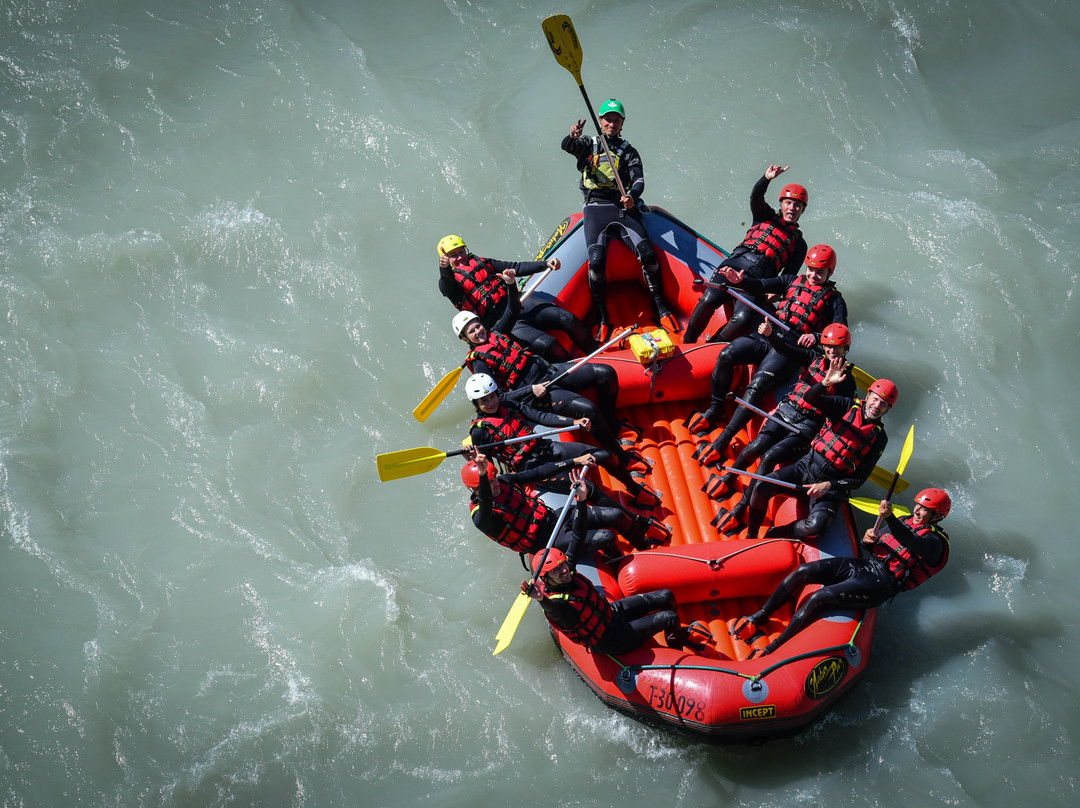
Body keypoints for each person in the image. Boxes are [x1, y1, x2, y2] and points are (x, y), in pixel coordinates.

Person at [731, 488, 952, 657]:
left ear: (937, 516)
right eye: (917, 506)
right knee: (804, 570)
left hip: (881, 584)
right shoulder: (905, 521)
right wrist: (868, 541)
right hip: (866, 565)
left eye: (925, 510)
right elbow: (874, 546)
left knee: (818, 597)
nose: (917, 511)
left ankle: (775, 647)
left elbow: (912, 543)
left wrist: (890, 518)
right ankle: (761, 614)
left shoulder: (935, 543)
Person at [702, 322, 856, 533]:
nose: (831, 351)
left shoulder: (847, 383)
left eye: (837, 348)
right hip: (788, 410)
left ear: (846, 349)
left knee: (770, 456)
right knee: (756, 446)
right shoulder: (813, 357)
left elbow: (838, 414)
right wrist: (771, 335)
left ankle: (743, 505)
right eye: (828, 346)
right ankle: (730, 477)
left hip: (808, 426)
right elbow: (786, 349)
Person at [454, 310, 644, 473]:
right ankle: (620, 456)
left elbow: (512, 310)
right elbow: (499, 397)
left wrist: (511, 284)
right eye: (471, 331)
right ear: (464, 339)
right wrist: (531, 389)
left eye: (478, 326)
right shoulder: (479, 363)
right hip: (534, 393)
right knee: (588, 409)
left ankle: (612, 423)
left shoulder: (497, 332)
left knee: (606, 373)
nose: (478, 331)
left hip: (549, 372)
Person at [688, 243, 847, 437]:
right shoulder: (791, 280)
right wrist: (741, 281)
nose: (813, 275)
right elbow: (762, 285)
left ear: (830, 272)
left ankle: (725, 437)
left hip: (791, 349)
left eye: (819, 272)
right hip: (769, 334)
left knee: (758, 385)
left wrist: (816, 336)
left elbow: (840, 332)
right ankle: (716, 408)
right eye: (810, 270)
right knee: (727, 354)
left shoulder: (835, 301)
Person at [734, 362, 897, 541]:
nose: (877, 405)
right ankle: (751, 536)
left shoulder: (880, 438)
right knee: (761, 487)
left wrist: (829, 485)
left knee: (816, 527)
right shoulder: (845, 405)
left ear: (888, 409)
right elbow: (811, 398)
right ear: (868, 394)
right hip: (806, 467)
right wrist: (825, 383)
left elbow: (858, 480)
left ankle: (774, 535)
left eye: (883, 404)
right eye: (875, 399)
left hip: (830, 488)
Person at [561, 99, 678, 340]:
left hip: (622, 207)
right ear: (600, 121)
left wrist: (632, 197)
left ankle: (661, 307)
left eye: (616, 120)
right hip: (595, 208)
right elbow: (568, 147)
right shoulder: (588, 144)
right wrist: (572, 136)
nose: (611, 124)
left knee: (648, 254)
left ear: (622, 123)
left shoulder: (629, 151)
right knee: (596, 262)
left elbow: (639, 180)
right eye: (608, 119)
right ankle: (603, 316)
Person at [465, 373, 659, 510]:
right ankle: (630, 517)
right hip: (531, 467)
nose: (491, 403)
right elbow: (489, 468)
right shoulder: (480, 432)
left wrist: (573, 422)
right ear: (476, 404)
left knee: (604, 455)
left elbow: (541, 416)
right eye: (484, 401)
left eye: (492, 396)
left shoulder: (508, 404)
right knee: (588, 487)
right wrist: (473, 459)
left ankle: (634, 488)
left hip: (546, 448)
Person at [683, 165, 809, 344]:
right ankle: (688, 341)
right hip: (734, 266)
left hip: (756, 283)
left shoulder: (800, 245)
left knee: (742, 319)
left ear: (802, 210)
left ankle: (711, 347)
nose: (792, 208)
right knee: (708, 300)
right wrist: (766, 178)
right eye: (788, 203)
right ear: (781, 204)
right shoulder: (764, 215)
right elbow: (755, 197)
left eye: (798, 205)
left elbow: (788, 276)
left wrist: (774, 292)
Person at [462, 453, 669, 554]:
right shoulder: (481, 517)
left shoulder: (504, 482)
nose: (495, 484)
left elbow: (539, 472)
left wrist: (575, 461)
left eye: (494, 479)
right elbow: (487, 505)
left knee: (615, 515)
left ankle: (648, 552)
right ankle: (616, 562)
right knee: (607, 537)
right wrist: (483, 475)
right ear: (475, 490)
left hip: (554, 517)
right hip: (545, 542)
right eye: (488, 483)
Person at [436, 234, 595, 360]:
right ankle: (575, 373)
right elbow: (447, 282)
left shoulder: (481, 262)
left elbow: (515, 267)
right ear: (447, 260)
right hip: (501, 322)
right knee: (548, 344)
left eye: (461, 251)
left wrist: (545, 264)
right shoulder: (449, 285)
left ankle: (595, 352)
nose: (460, 257)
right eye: (453, 255)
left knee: (567, 318)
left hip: (517, 301)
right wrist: (444, 269)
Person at [522, 545, 679, 656]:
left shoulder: (568, 571)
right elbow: (555, 611)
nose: (564, 570)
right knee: (669, 617)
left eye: (562, 564)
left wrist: (582, 506)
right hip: (610, 639)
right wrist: (541, 599)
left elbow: (577, 538)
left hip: (612, 613)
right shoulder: (560, 604)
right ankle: (678, 653)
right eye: (555, 570)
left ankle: (676, 636)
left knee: (667, 596)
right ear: (546, 578)